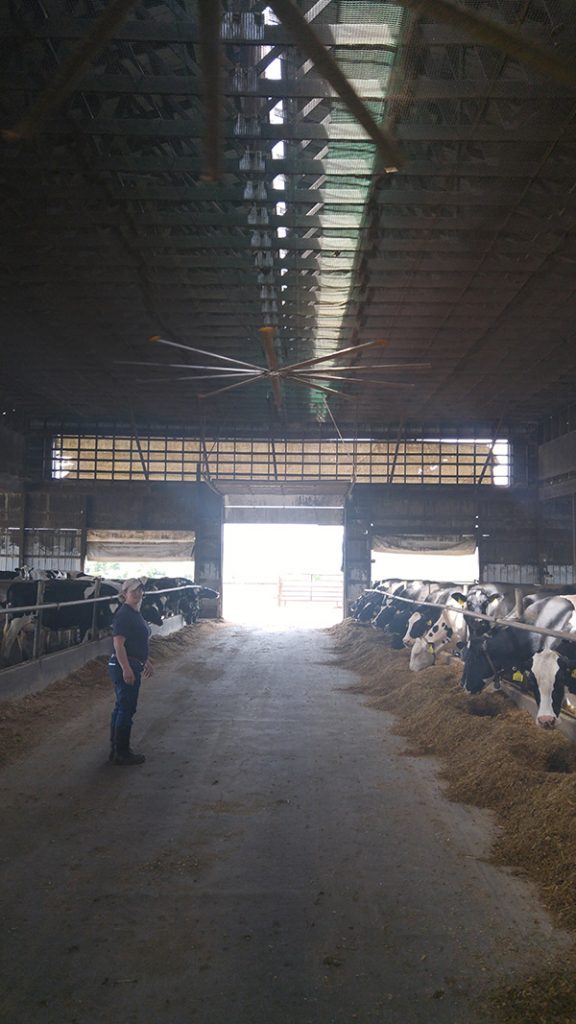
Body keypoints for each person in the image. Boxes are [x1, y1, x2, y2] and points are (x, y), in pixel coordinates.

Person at [107, 578, 154, 765]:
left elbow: (136, 641)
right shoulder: (124, 614)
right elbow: (118, 644)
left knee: (121, 707)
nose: (137, 593)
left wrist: (145, 660)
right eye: (133, 591)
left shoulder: (135, 613)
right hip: (123, 665)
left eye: (139, 590)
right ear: (124, 593)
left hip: (133, 662)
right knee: (126, 708)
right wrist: (126, 668)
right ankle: (122, 752)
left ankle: (116, 749)